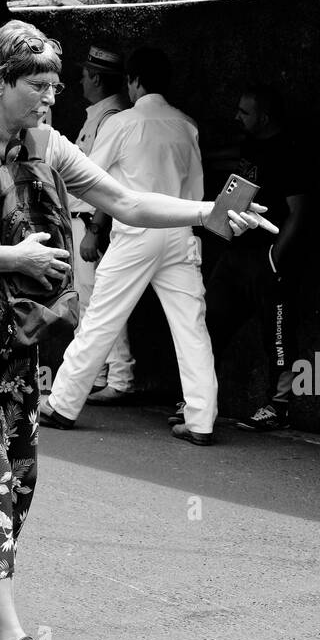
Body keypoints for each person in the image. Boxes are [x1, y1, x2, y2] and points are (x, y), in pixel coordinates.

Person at [0, 21, 274, 640]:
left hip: (10, 333)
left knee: (17, 476)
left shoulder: (45, 143)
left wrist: (213, 213)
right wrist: (10, 257)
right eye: (35, 86)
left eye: (53, 86)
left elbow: (124, 199)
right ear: (0, 81)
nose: (49, 99)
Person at [41, 47, 219, 444]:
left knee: (100, 318)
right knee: (191, 328)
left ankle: (63, 403)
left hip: (135, 232)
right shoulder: (186, 125)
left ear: (135, 81)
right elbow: (197, 193)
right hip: (180, 230)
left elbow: (88, 177)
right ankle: (202, 419)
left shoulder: (122, 123)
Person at [190, 83, 309, 432]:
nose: (236, 117)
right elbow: (237, 189)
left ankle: (279, 406)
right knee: (209, 322)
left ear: (265, 116)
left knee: (276, 335)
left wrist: (275, 258)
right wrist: (219, 230)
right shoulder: (250, 143)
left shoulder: (290, 151)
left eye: (244, 112)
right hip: (236, 254)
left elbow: (299, 212)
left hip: (268, 257)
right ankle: (198, 399)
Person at [64, 42, 135, 404]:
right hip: (89, 219)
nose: (79, 80)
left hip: (95, 221)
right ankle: (103, 374)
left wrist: (94, 228)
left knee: (100, 300)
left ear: (95, 77)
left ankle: (119, 376)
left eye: (84, 75)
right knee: (93, 299)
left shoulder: (111, 118)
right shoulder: (103, 114)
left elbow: (107, 180)